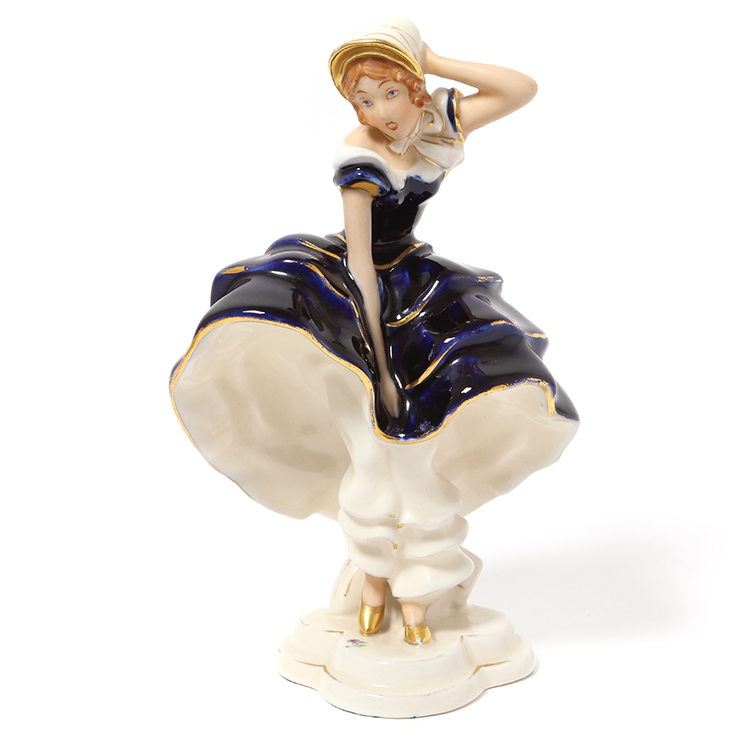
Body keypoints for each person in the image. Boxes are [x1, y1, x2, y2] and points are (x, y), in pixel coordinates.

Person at [170, 18, 578, 646]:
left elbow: (518, 88)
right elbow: (361, 265)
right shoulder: (360, 159)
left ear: (414, 88)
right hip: (354, 291)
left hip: (417, 279)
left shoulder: (436, 121)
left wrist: (433, 59)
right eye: (363, 100)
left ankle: (421, 580)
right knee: (369, 440)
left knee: (424, 438)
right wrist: (380, 364)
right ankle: (373, 578)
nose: (379, 112)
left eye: (389, 93)